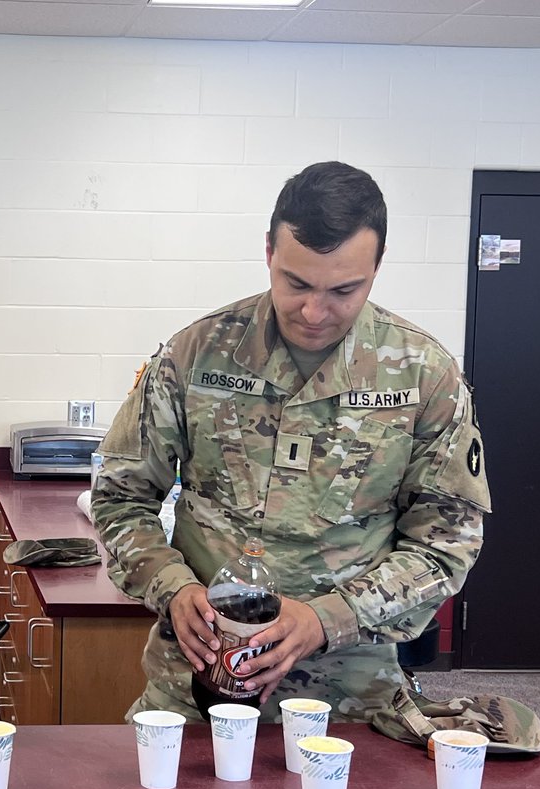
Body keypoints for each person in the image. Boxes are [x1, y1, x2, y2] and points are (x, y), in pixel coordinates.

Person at [91, 161, 491, 724]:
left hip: (349, 701)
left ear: (377, 268)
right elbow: (120, 497)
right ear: (268, 253)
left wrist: (330, 617)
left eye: (343, 290)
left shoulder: (424, 377)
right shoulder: (196, 356)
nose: (313, 311)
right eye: (296, 283)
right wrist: (173, 588)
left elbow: (446, 545)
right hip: (194, 688)